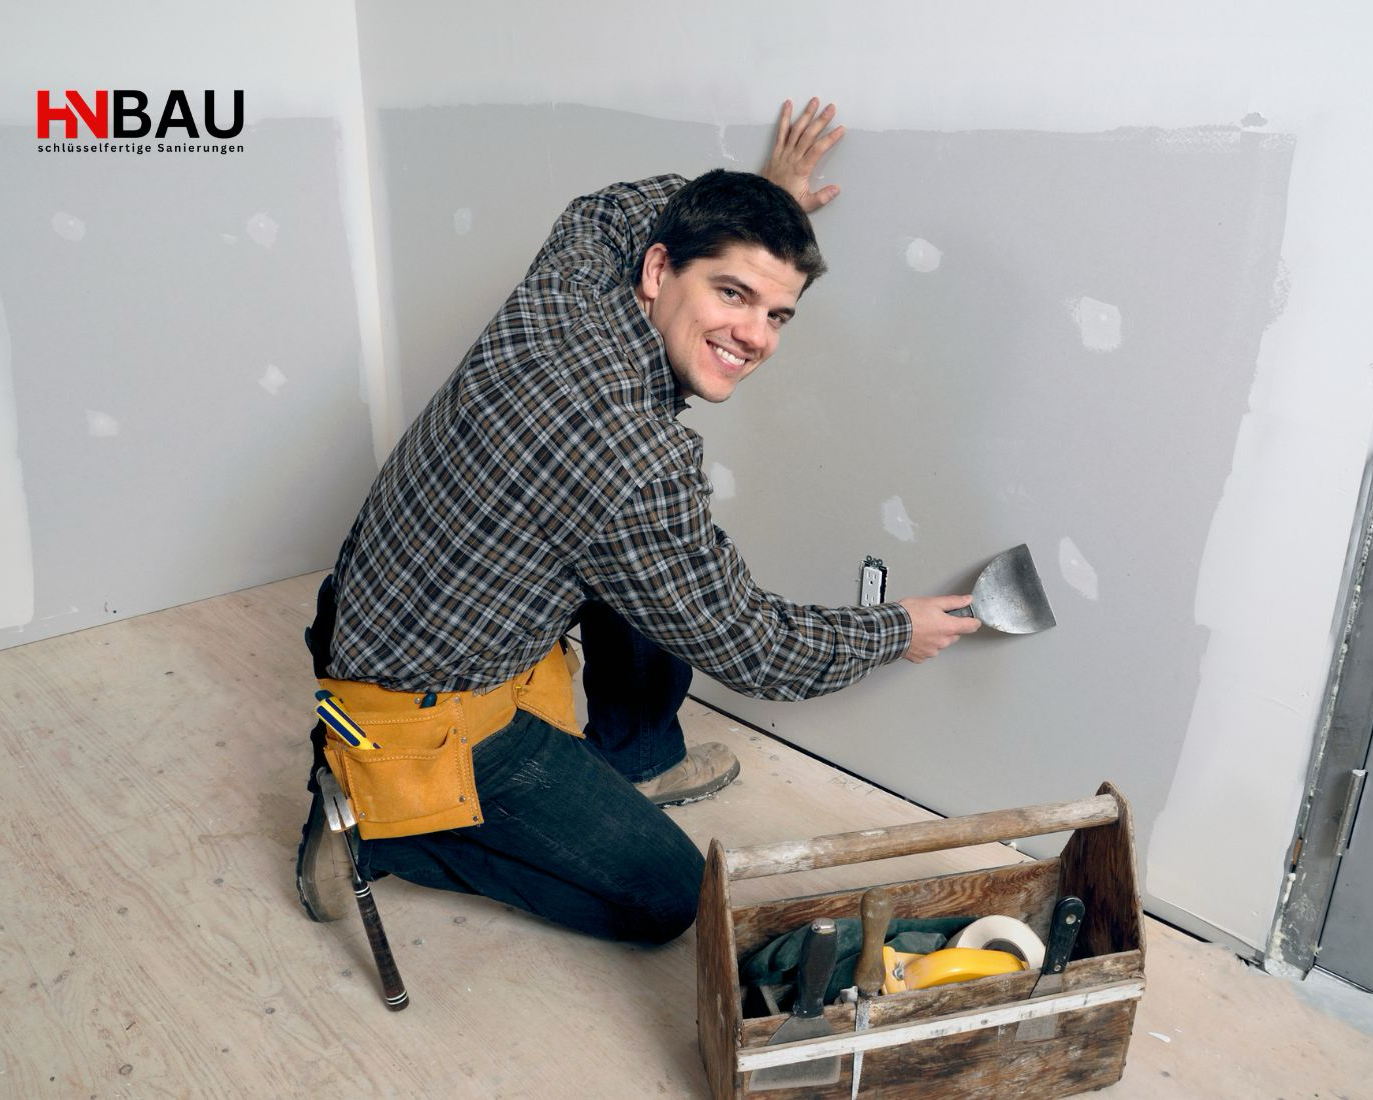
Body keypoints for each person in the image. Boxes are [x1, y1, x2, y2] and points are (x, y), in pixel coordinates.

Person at [296, 99, 980, 945]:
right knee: (670, 900)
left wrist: (758, 204)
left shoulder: (571, 282)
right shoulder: (634, 463)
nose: (755, 335)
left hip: (366, 607)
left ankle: (637, 755)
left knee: (666, 565)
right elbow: (752, 648)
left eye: (776, 313)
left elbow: (612, 208)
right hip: (420, 711)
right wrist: (893, 629)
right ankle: (380, 829)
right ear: (659, 271)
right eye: (732, 293)